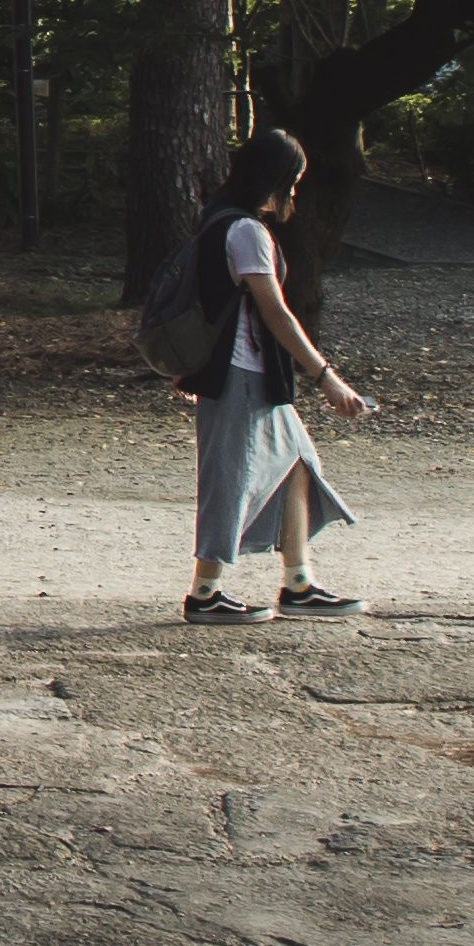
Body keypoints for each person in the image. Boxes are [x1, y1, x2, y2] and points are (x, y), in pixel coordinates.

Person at [184, 127, 375, 623]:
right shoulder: (245, 231)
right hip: (238, 374)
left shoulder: (218, 220)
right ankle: (204, 593)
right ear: (277, 178)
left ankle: (298, 584)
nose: (294, 191)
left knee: (296, 464)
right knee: (228, 479)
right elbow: (276, 313)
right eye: (293, 180)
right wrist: (326, 376)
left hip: (253, 374)